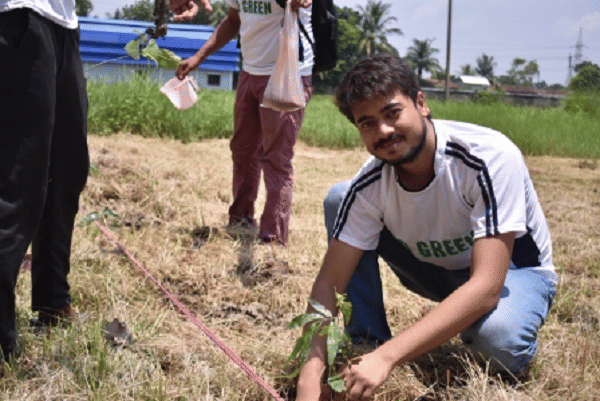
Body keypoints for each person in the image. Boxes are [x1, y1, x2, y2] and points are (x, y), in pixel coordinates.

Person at [295, 53, 557, 401]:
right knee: (340, 196)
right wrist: (310, 372)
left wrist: (388, 359)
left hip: (511, 272)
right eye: (367, 123)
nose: (383, 131)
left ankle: (432, 337)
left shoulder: (487, 157)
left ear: (421, 103)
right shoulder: (370, 185)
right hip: (435, 272)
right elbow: (330, 282)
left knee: (499, 342)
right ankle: (367, 341)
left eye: (392, 113)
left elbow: (487, 286)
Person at [0, 0, 211, 363]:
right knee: (21, 183)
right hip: (20, 16)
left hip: (61, 23)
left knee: (67, 169)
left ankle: (52, 302)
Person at [176, 0, 314, 245]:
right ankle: (240, 220)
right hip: (250, 71)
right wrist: (198, 57)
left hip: (286, 72)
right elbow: (233, 21)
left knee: (276, 159)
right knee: (243, 151)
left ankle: (273, 236)